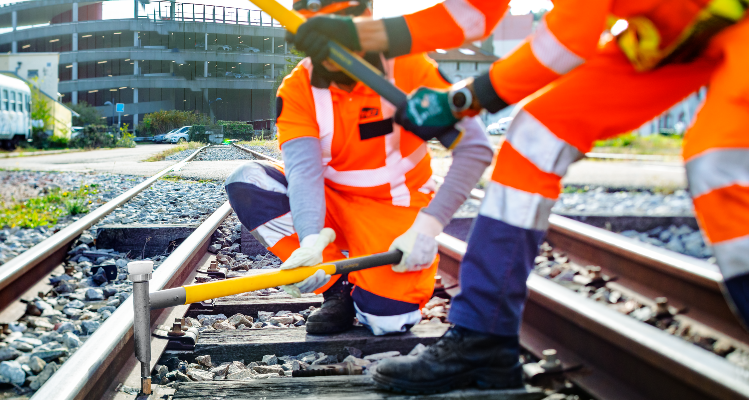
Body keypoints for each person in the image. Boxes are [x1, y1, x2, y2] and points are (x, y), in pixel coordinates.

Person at [293, 0, 749, 394]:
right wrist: (358, 33)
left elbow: (567, 41)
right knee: (534, 139)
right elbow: (473, 13)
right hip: (675, 35)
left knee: (721, 160)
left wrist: (464, 98)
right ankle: (483, 340)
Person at [224, 0, 494, 336]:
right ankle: (336, 289)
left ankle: (368, 290)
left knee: (388, 322)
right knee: (248, 181)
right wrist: (310, 244)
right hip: (330, 209)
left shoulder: (409, 70)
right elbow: (303, 174)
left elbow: (476, 150)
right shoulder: (297, 89)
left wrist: (427, 229)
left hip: (395, 212)